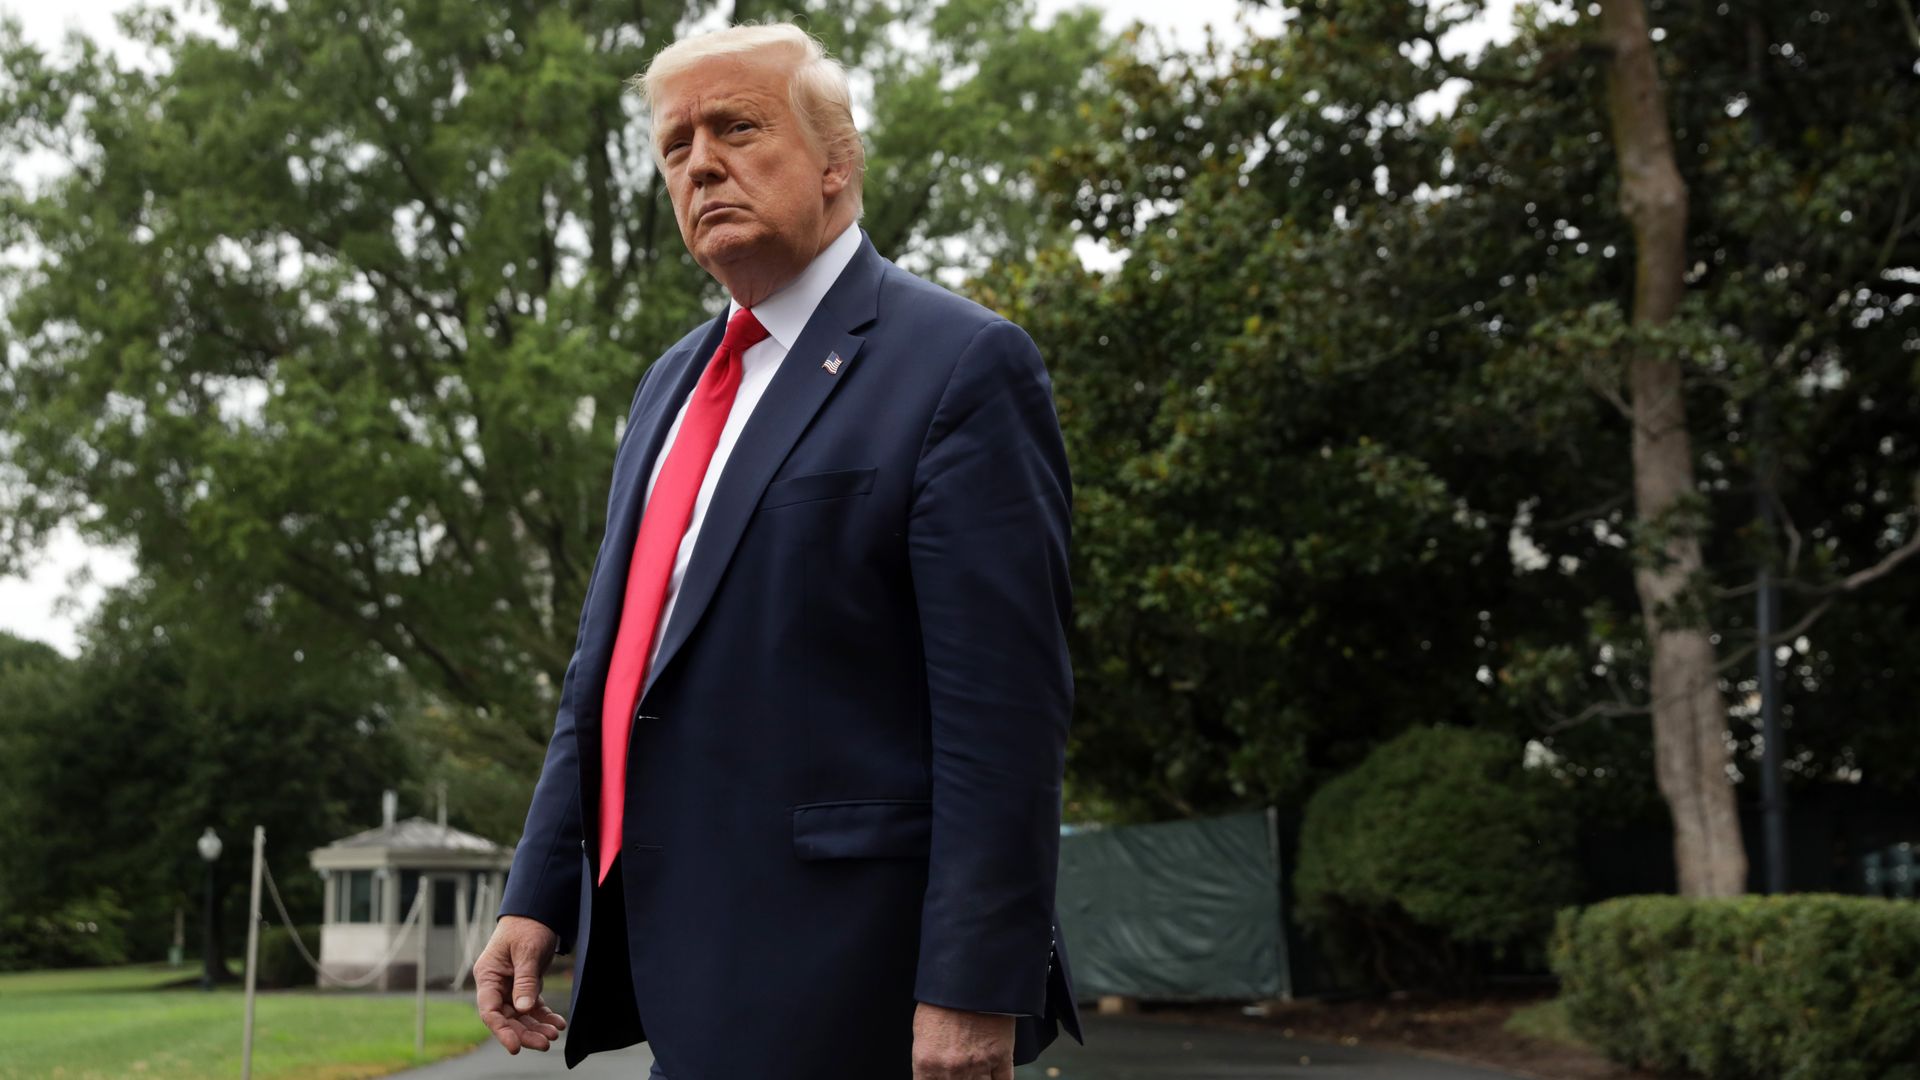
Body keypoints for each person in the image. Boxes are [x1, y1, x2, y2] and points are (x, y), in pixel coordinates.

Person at [468, 20, 1082, 1080]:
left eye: (737, 128)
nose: (700, 163)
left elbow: (1004, 718)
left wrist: (975, 985)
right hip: (688, 980)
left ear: (836, 160)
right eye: (676, 145)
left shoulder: (962, 363)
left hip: (860, 989)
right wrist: (538, 891)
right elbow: (611, 667)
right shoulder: (668, 386)